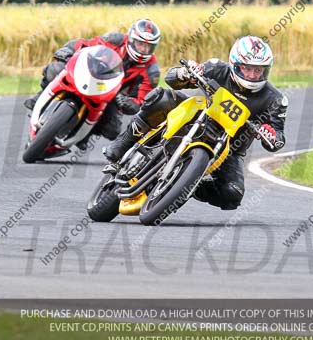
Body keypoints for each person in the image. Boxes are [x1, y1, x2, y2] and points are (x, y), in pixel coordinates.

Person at [103, 35, 287, 210]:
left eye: (258, 70)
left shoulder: (276, 99)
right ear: (235, 64)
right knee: (161, 97)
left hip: (230, 148)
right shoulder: (217, 68)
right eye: (247, 68)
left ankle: (188, 184)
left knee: (233, 194)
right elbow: (171, 79)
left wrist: (269, 134)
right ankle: (124, 143)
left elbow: (278, 139)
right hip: (197, 116)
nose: (253, 75)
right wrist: (185, 73)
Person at [25, 19, 162, 144]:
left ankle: (85, 135)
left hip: (113, 94)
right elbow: (85, 44)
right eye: (140, 44)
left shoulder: (152, 71)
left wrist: (127, 103)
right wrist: (68, 50)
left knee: (112, 130)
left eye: (148, 46)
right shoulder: (114, 40)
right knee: (55, 69)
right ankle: (40, 96)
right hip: (90, 75)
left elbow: (141, 101)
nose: (144, 49)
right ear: (131, 39)